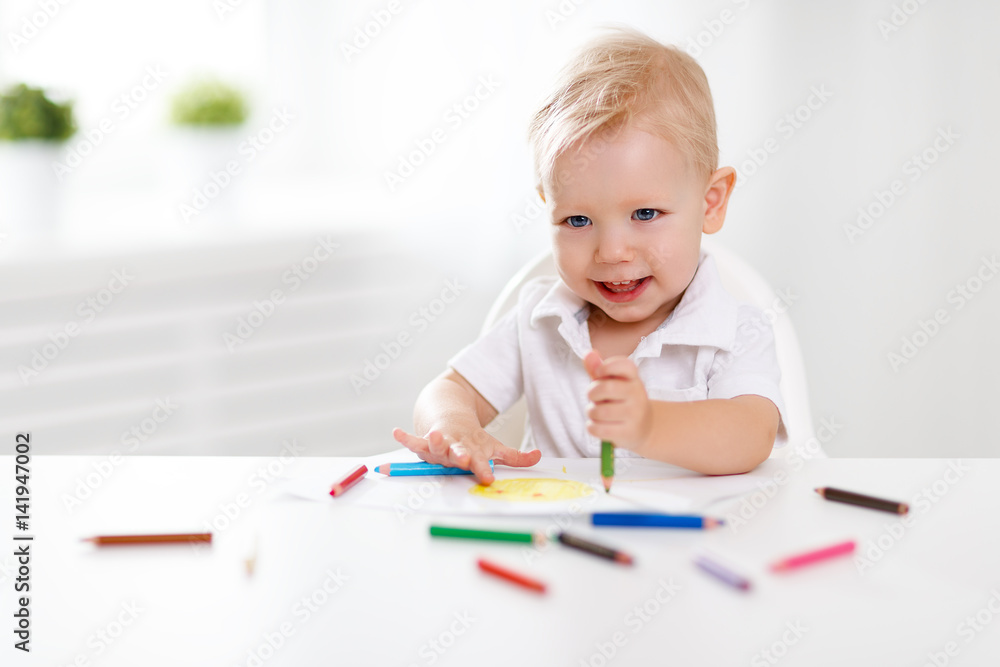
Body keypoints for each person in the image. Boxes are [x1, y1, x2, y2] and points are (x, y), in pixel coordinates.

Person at [393, 28, 786, 484]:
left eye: (645, 213)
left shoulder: (738, 332)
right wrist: (454, 427)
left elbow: (750, 435)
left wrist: (648, 425)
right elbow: (447, 390)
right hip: (557, 545)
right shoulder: (538, 319)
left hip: (684, 545)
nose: (612, 252)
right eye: (578, 221)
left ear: (711, 202)